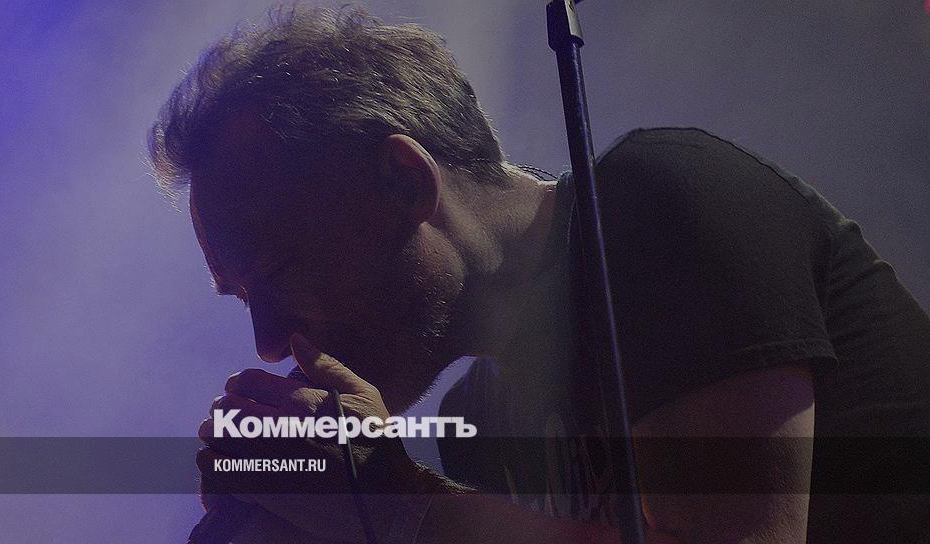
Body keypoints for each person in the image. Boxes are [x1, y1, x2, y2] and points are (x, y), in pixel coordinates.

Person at [148, 6, 930, 544]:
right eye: (243, 299)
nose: (269, 340)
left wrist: (394, 503)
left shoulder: (659, 204)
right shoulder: (482, 434)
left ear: (402, 181)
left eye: (279, 269)